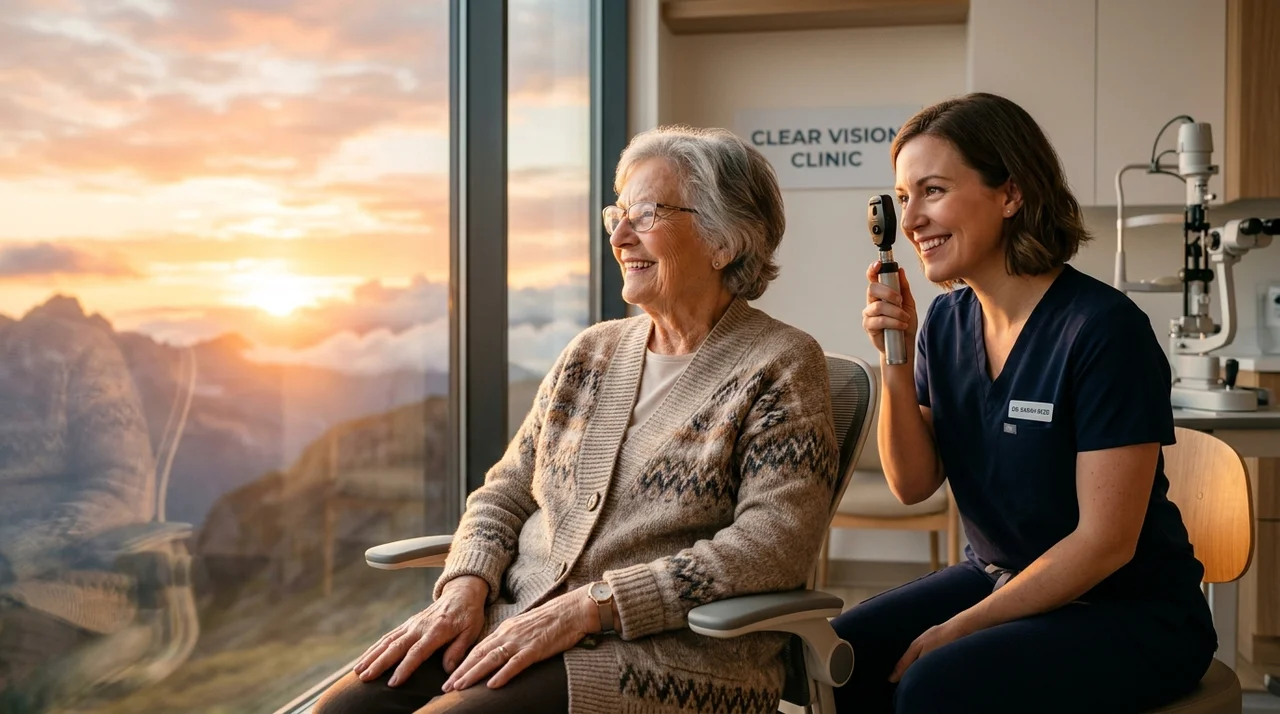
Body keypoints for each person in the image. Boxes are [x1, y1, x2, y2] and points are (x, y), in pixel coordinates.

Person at [314, 125, 840, 714]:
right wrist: (466, 585)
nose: (619, 235)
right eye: (617, 212)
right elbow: (507, 490)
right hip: (517, 621)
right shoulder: (592, 352)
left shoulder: (782, 364)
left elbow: (773, 545)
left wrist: (594, 605)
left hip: (671, 660)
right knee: (340, 709)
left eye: (646, 213)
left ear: (725, 241)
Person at [831, 92, 1216, 714]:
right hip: (998, 577)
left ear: (1009, 194)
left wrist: (963, 626)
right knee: (844, 655)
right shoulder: (944, 323)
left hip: (1128, 609)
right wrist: (893, 357)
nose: (911, 221)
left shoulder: (1101, 330)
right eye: (904, 199)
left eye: (932, 191)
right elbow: (913, 483)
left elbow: (1105, 544)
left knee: (936, 684)